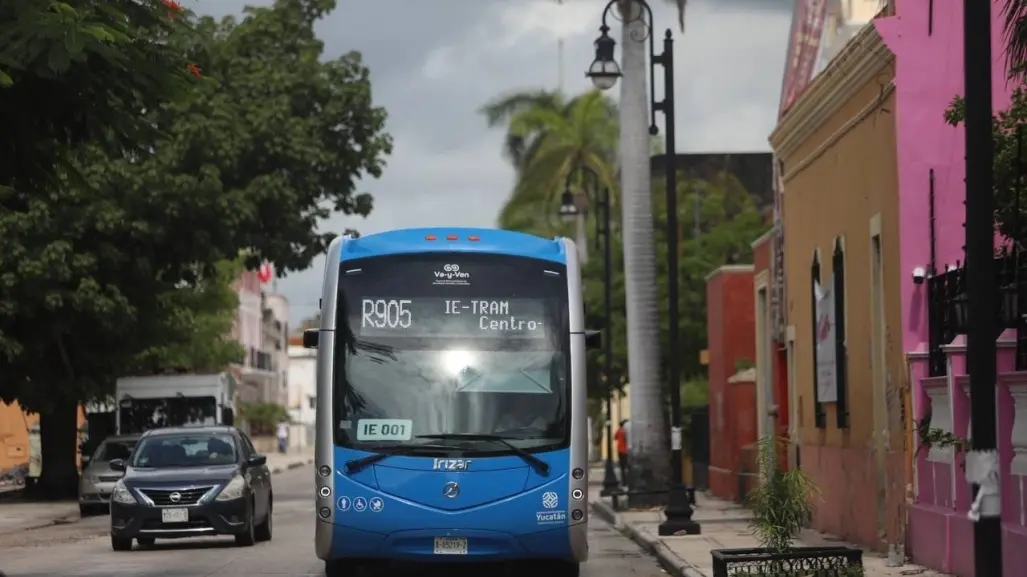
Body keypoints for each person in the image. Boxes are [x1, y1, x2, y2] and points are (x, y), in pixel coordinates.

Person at [614, 419, 629, 485]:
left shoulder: (619, 430)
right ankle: (626, 481)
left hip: (619, 450)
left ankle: (623, 482)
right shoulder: (625, 431)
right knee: (627, 466)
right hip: (625, 450)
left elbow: (615, 437)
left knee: (622, 467)